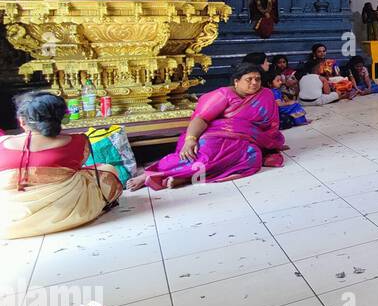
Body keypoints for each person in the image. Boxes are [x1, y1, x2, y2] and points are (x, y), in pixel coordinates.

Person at [128, 63, 286, 191]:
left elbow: (270, 124)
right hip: (213, 136)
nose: (254, 83)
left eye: (257, 79)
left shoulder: (265, 94)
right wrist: (190, 140)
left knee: (252, 158)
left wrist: (269, 141)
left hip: (245, 141)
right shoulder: (224, 94)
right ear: (236, 81)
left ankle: (185, 178)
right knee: (204, 156)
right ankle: (151, 174)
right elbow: (201, 118)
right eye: (249, 79)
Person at [2, 91, 123, 238]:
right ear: (62, 118)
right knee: (108, 169)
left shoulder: (3, 143)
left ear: (22, 121)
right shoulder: (78, 141)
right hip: (69, 212)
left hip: (8, 220)